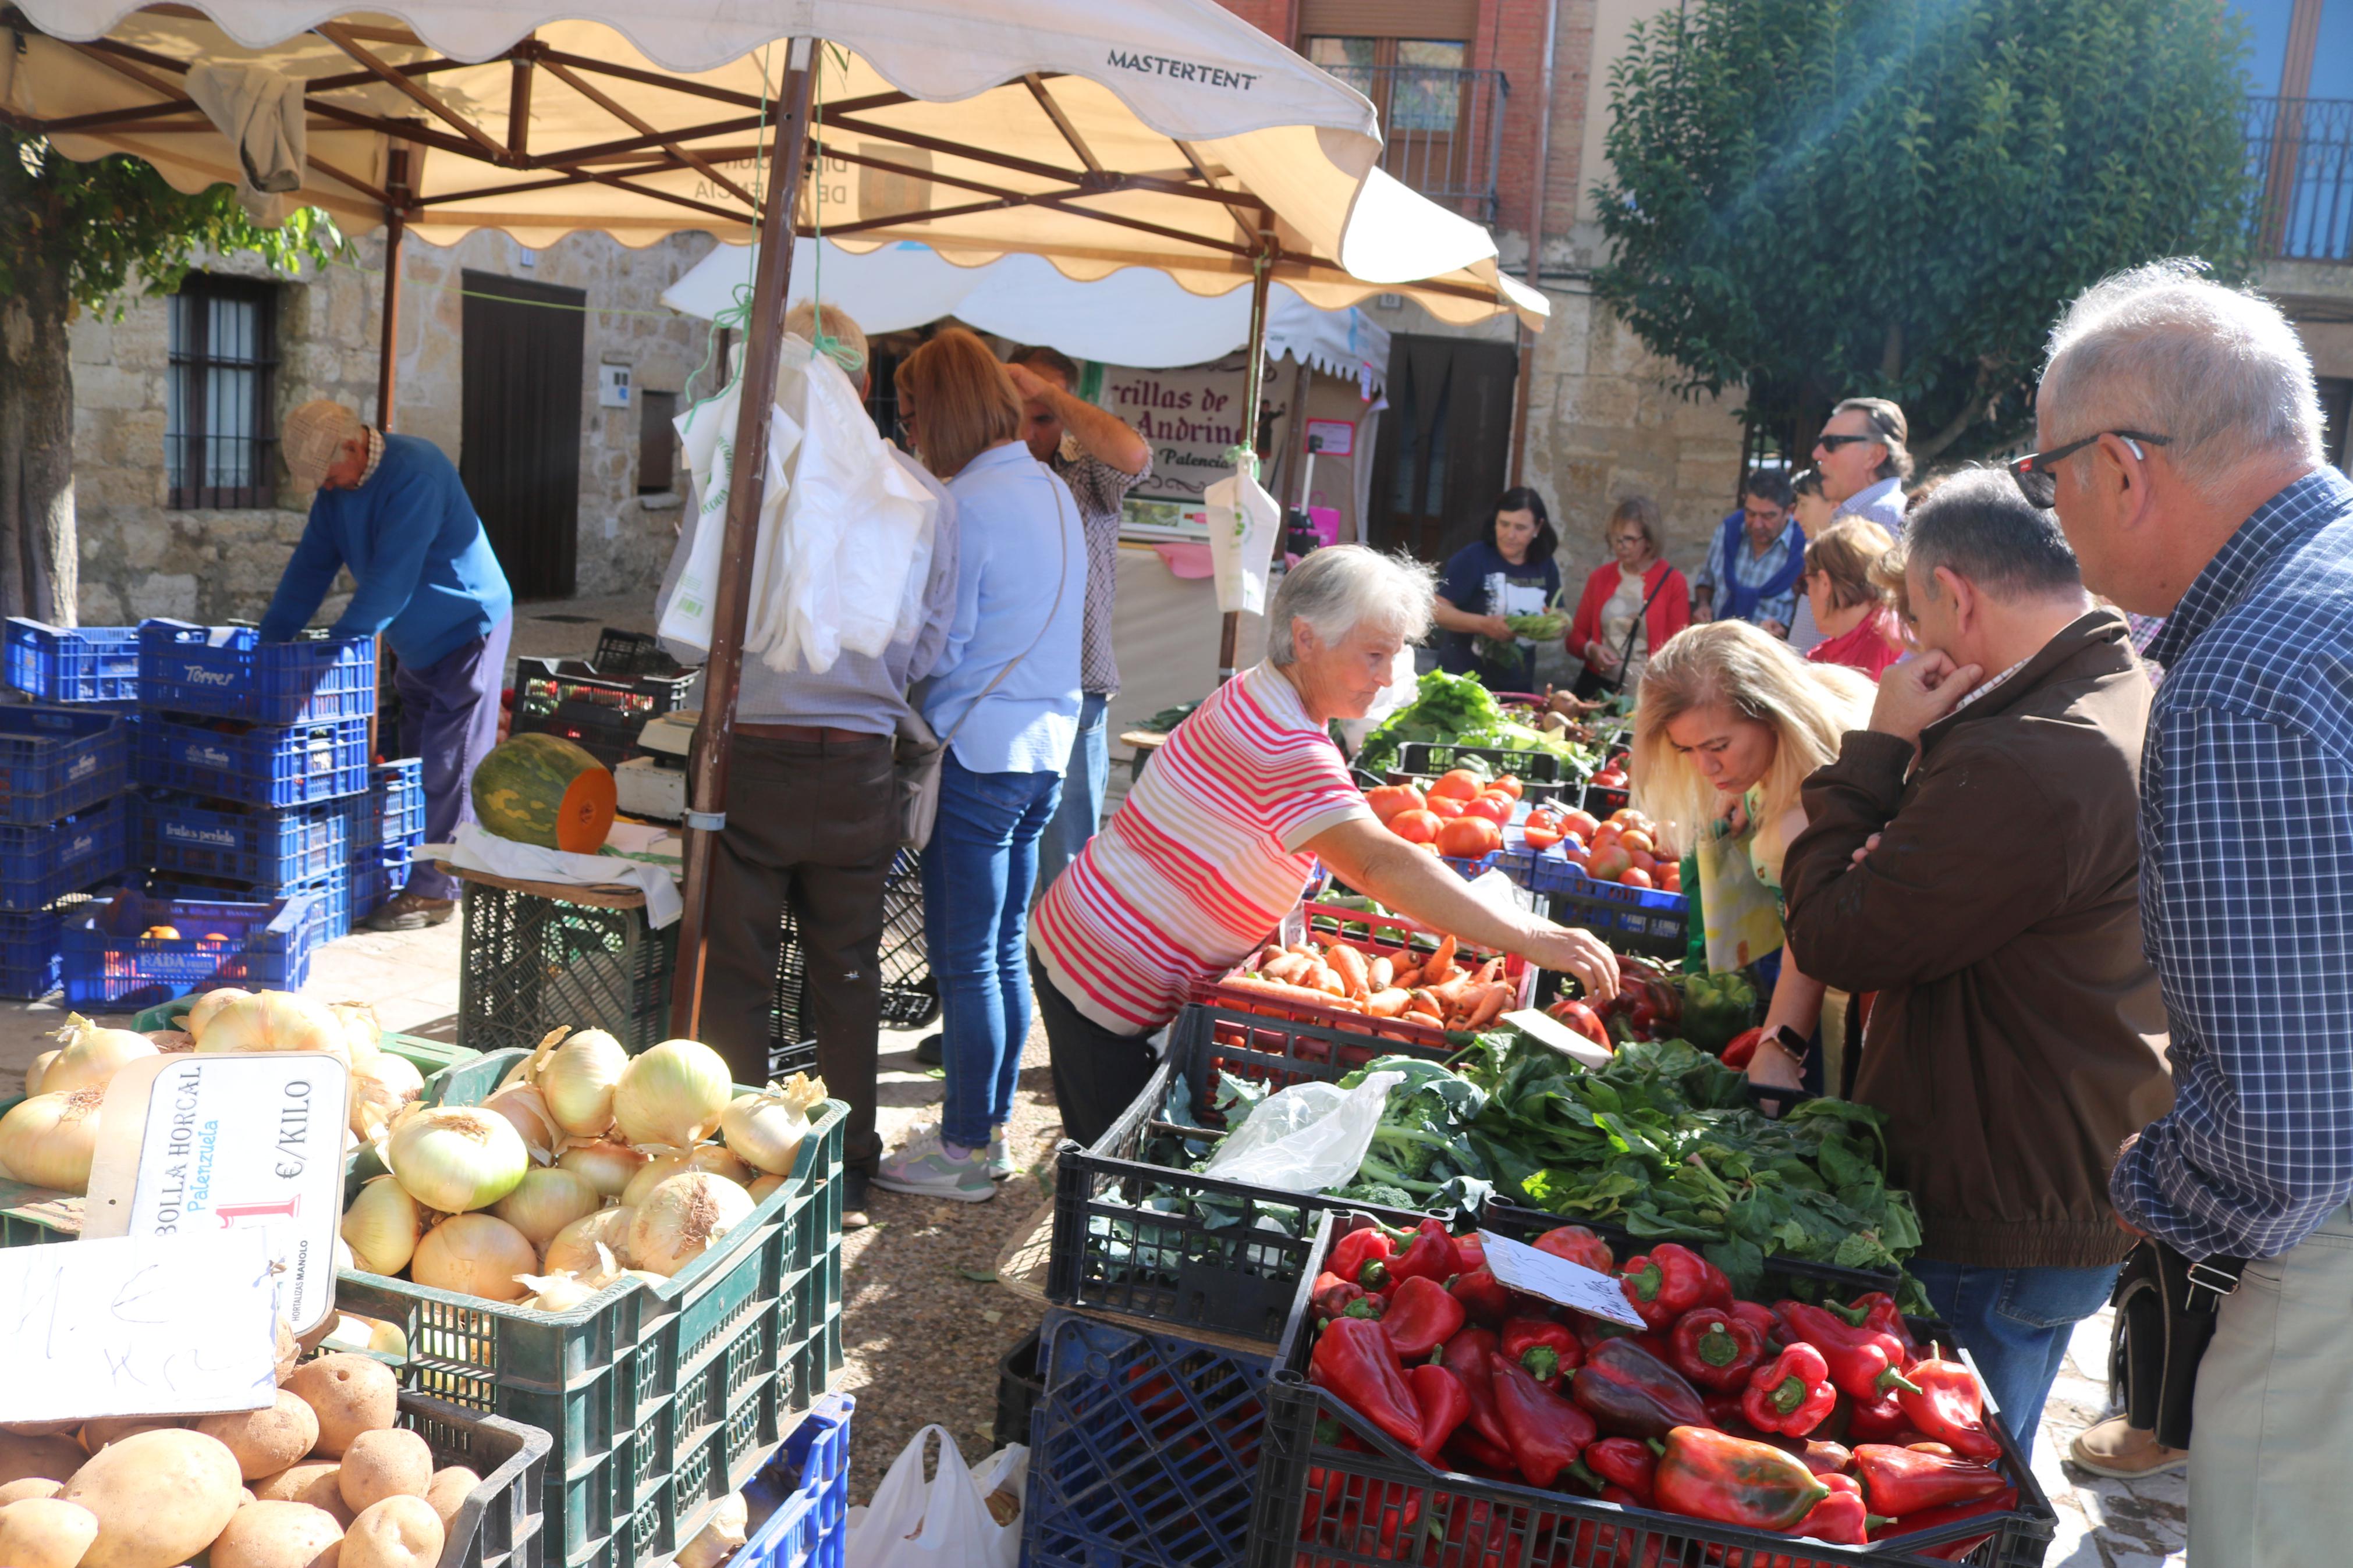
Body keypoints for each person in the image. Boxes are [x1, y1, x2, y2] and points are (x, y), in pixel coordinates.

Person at [2031, 259, 2351, 1555]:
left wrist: (2148, 1185)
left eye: (2041, 474)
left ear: (2120, 466)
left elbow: (2281, 1139)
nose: (2047, 512)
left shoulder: (2237, 679)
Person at [1775, 470, 2174, 1456]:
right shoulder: (2126, 687)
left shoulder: (2029, 755)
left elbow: (1832, 932)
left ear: (1954, 595)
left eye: (1913, 615)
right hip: (2060, 1166)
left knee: (1947, 1497)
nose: (1910, 645)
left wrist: (1877, 751)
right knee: (1983, 1468)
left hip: (1995, 1201)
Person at [1029, 546, 1620, 1147]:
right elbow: (1378, 862)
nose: (1388, 676)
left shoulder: (1267, 696)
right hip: (1102, 972)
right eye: (1373, 655)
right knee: (1108, 1172)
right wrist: (1531, 938)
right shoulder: (1283, 742)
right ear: (1305, 638)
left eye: (1393, 655)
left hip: (1104, 942)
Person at [654, 304, 958, 1231]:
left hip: (750, 756)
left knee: (735, 967)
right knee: (847, 971)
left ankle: (735, 1165)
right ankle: (847, 1164)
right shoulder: (916, 494)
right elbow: (932, 644)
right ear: (862, 384)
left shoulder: (740, 484)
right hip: (859, 764)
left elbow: (681, 622)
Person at [875, 329, 1085, 1203]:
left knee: (966, 957)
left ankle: (964, 1145)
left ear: (943, 409)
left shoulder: (967, 503)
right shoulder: (1051, 491)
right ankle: (986, 1128)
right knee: (999, 949)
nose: (911, 427)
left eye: (913, 411)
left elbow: (943, 640)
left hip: (977, 751)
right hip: (1044, 752)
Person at [258, 400, 513, 932]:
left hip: (468, 627)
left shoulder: (416, 472)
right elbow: (308, 570)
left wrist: (337, 648)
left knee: (451, 760)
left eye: (327, 474)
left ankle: (436, 891)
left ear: (353, 447)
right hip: (414, 639)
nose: (324, 487)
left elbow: (390, 583)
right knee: (419, 756)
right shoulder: (337, 494)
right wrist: (269, 644)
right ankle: (426, 862)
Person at [1630, 623, 1873, 1094]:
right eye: (1687, 750)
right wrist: (1750, 789)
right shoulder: (1823, 701)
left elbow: (1809, 947)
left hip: (1838, 1011)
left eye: (1718, 746)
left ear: (1771, 711)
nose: (1706, 768)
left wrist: (1778, 1048)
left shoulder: (1811, 809)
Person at [1004, 344, 1152, 898]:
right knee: (996, 854)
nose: (1026, 433)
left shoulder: (1086, 468)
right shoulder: (980, 464)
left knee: (1063, 863)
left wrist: (1049, 395)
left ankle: (1054, 981)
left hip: (1075, 688)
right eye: (1015, 412)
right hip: (997, 693)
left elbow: (1133, 455)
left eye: (1042, 417)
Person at [1431, 488, 1564, 691]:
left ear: (1538, 528)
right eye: (1504, 524)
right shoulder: (1473, 559)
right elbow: (1437, 610)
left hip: (1517, 683)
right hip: (1465, 680)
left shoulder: (1545, 565)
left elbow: (1559, 616)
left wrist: (1557, 625)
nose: (1510, 535)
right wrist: (1484, 625)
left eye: (1521, 528)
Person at [1564, 495, 1690, 695]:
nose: (1620, 546)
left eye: (1629, 539)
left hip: (1645, 692)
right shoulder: (1600, 578)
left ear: (1649, 540)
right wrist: (1592, 650)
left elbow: (1680, 651)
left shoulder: (1673, 582)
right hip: (1599, 685)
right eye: (1616, 538)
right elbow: (1575, 638)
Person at [1691, 474, 1804, 636]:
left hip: (1769, 653)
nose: (1757, 525)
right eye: (1751, 514)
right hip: (1716, 644)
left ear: (1789, 511)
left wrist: (1785, 630)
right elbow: (1706, 582)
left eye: (1768, 516)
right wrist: (1703, 605)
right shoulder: (1728, 532)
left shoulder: (1803, 550)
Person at [1798, 517, 1905, 678]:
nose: (1808, 594)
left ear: (1825, 583)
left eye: (1806, 584)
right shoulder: (1899, 633)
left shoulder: (1888, 640)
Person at [1813, 397, 1912, 535]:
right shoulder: (1875, 515)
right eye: (1821, 442)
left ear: (1875, 455)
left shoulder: (1884, 518)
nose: (1817, 454)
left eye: (1832, 442)